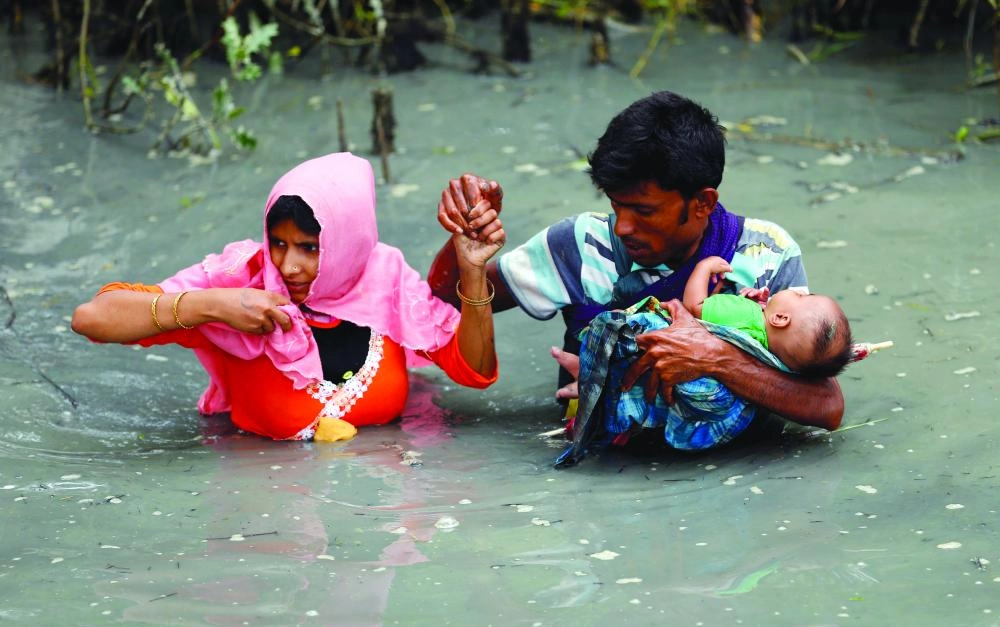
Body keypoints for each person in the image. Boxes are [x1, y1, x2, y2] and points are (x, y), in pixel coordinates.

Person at [430, 90, 844, 444]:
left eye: (644, 211)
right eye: (616, 205)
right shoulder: (578, 246)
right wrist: (464, 246)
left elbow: (826, 406)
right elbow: (438, 303)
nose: (624, 226)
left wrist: (715, 358)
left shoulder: (766, 255)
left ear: (702, 203)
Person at [71, 152, 506, 441]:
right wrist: (213, 306)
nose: (288, 266)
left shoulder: (384, 279)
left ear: (347, 244)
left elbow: (475, 372)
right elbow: (92, 318)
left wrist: (470, 269)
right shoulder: (239, 281)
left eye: (310, 248)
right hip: (263, 518)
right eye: (278, 243)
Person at [683, 255, 853, 378]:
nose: (799, 291)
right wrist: (762, 308)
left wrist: (703, 268)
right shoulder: (770, 362)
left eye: (801, 297)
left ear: (780, 318)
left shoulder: (744, 315)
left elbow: (693, 307)